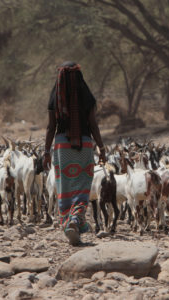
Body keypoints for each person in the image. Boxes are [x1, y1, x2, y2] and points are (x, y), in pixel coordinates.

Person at [43, 61, 106, 246]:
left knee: (65, 188)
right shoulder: (87, 96)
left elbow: (50, 127)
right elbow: (93, 125)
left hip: (62, 147)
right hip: (84, 145)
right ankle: (75, 221)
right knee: (83, 186)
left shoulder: (55, 97)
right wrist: (102, 148)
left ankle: (68, 222)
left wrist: (46, 151)